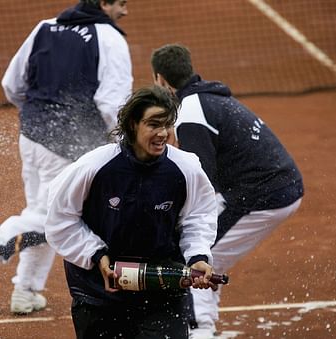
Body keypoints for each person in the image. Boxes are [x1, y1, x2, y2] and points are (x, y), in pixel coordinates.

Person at [0, 0, 132, 314]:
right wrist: (123, 144)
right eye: (121, 3)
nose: (125, 11)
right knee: (62, 218)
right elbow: (112, 103)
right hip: (72, 146)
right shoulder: (109, 38)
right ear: (103, 3)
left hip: (31, 136)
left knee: (41, 210)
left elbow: (11, 84)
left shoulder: (44, 27)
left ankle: (25, 291)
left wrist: (38, 118)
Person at [151, 43, 305, 338]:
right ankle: (201, 324)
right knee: (203, 249)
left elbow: (201, 180)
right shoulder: (207, 97)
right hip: (271, 185)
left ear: (160, 79)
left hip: (264, 194)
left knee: (196, 256)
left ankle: (199, 330)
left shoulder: (191, 112)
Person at [44, 85, 218, 338]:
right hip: (99, 295)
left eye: (168, 124)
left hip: (162, 292)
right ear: (133, 124)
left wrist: (198, 255)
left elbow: (199, 216)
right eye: (154, 124)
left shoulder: (186, 168)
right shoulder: (94, 166)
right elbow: (60, 218)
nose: (163, 133)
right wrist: (96, 255)